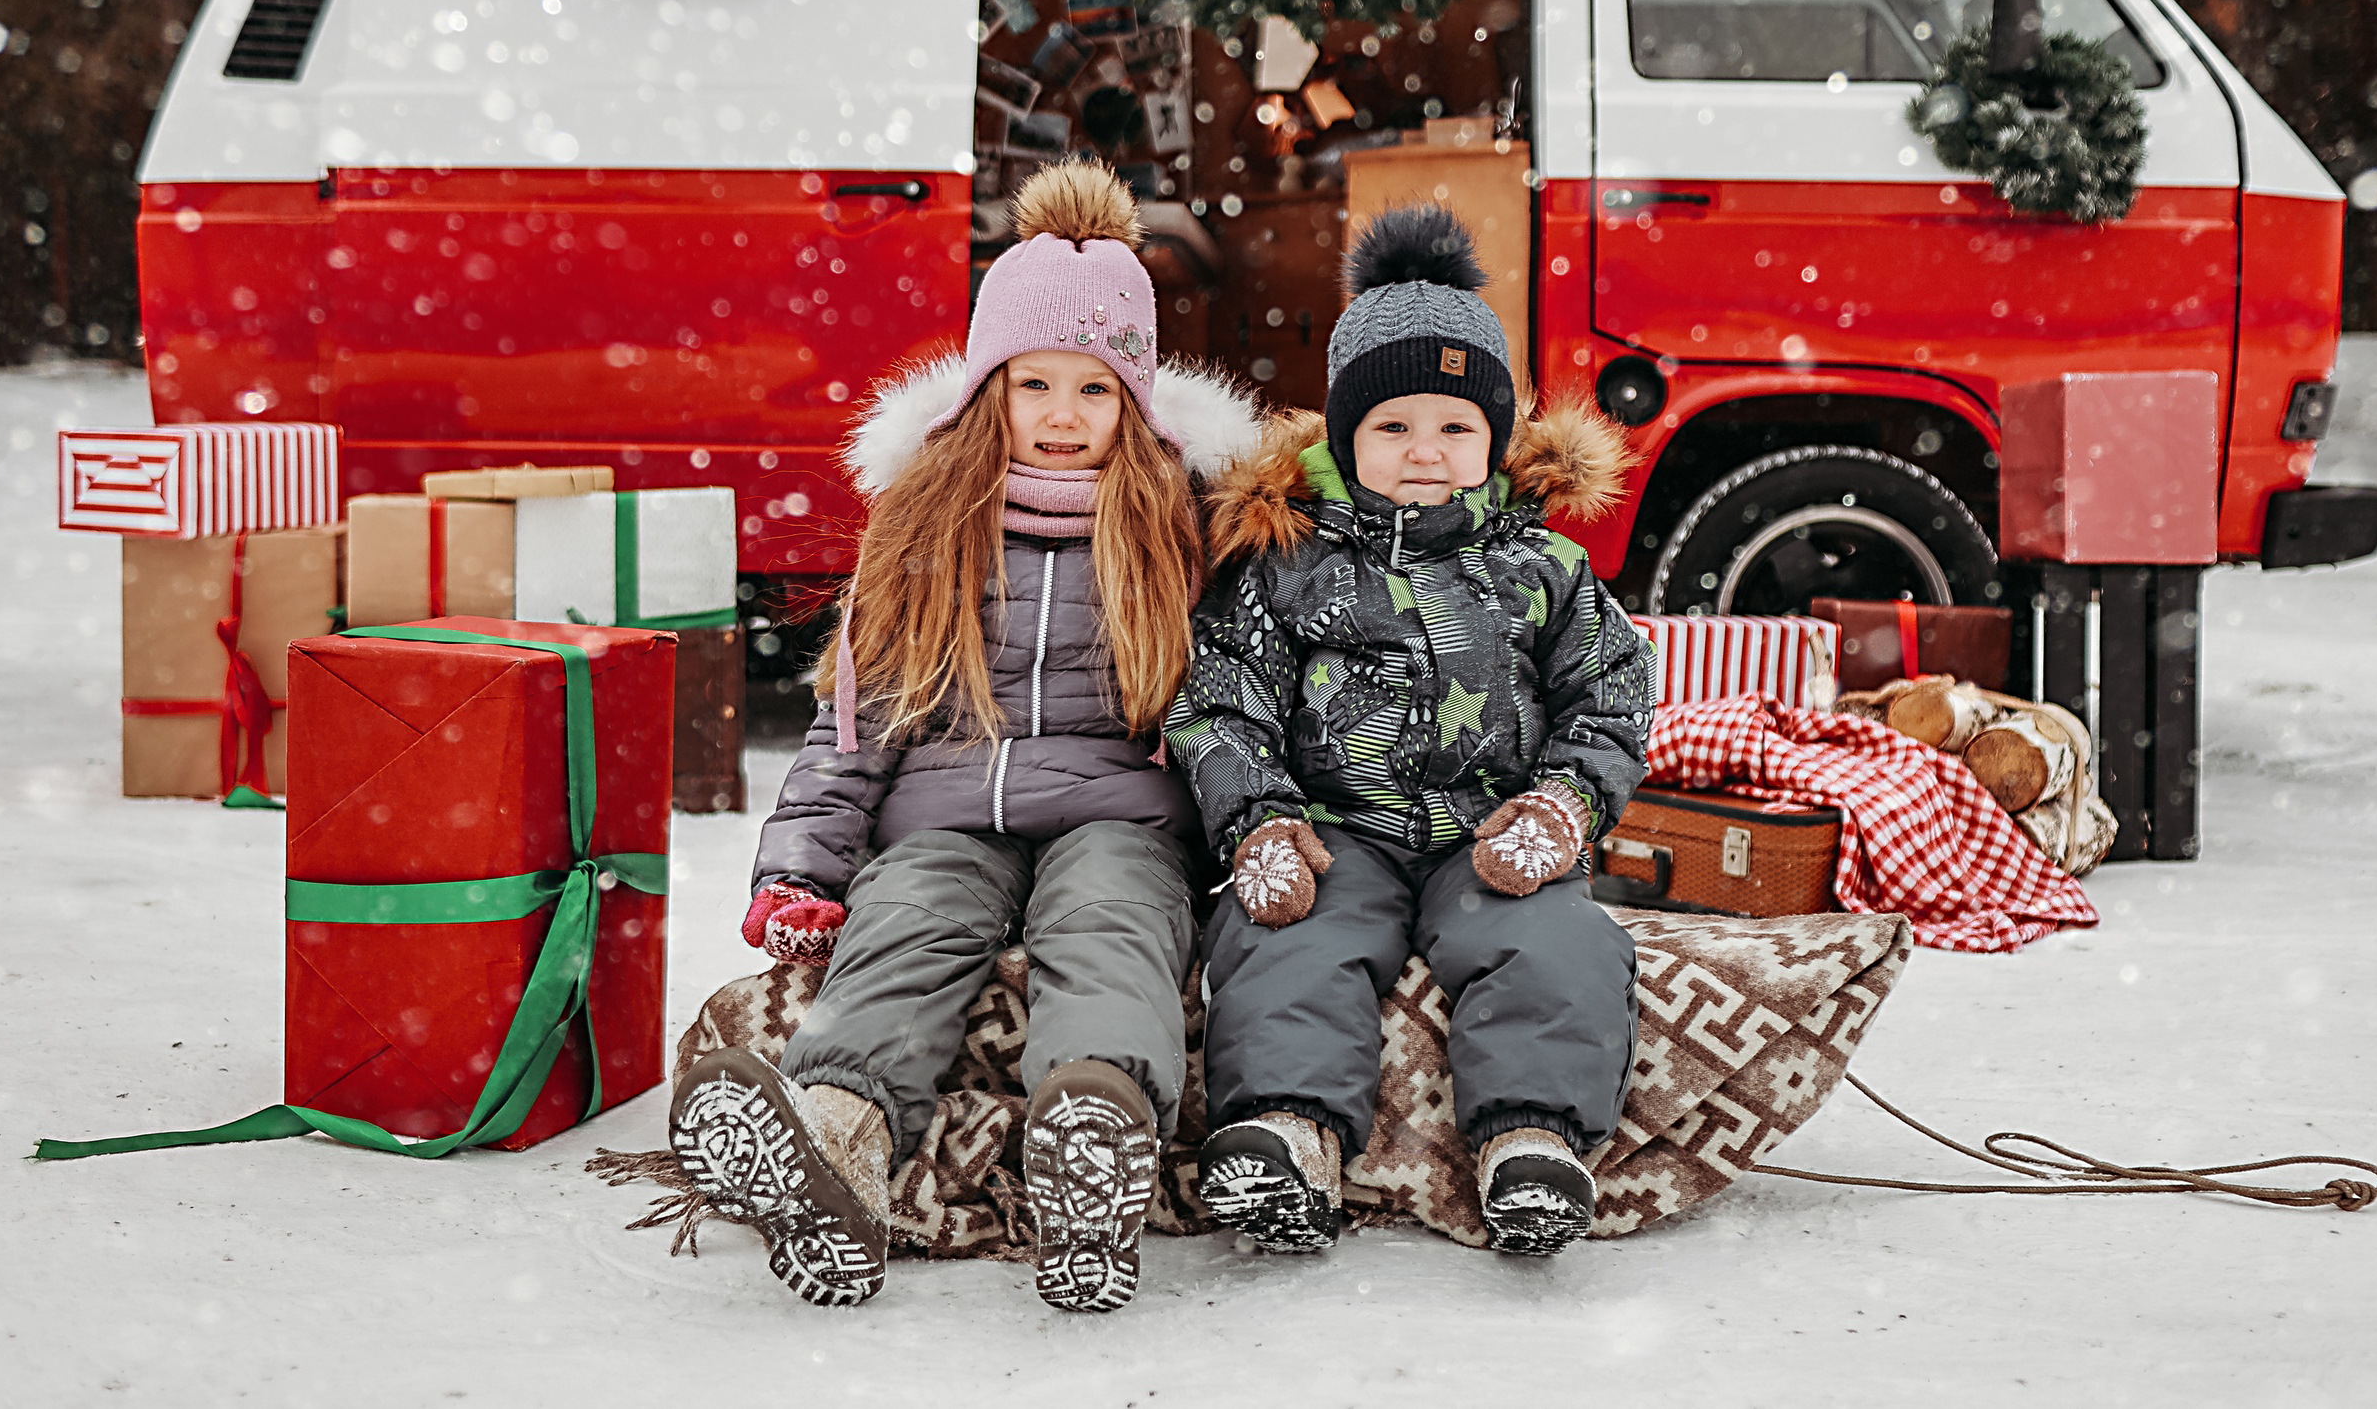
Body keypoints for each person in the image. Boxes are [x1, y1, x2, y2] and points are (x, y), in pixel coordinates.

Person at [666, 161, 1258, 1313]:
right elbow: (862, 710)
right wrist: (802, 866)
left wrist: (1244, 831)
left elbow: (1234, 698)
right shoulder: (930, 523)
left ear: (1134, 398)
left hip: (1116, 809)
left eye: (1093, 391)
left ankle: (1093, 1132)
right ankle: (832, 1143)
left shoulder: (1180, 524)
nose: (1061, 416)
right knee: (907, 920)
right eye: (1034, 384)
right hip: (940, 812)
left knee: (1114, 924)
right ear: (989, 388)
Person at [1165, 205, 1653, 1257]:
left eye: (1453, 428)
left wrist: (1560, 805)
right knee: (1287, 939)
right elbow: (1220, 699)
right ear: (1344, 435)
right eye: (1391, 428)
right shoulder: (1290, 565)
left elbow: (1608, 697)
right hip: (1336, 832)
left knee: (1552, 941)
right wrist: (1258, 822)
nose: (1423, 453)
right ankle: (1286, 1132)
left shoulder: (1544, 571)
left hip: (1493, 830)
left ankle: (1532, 1138)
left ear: (1494, 439)